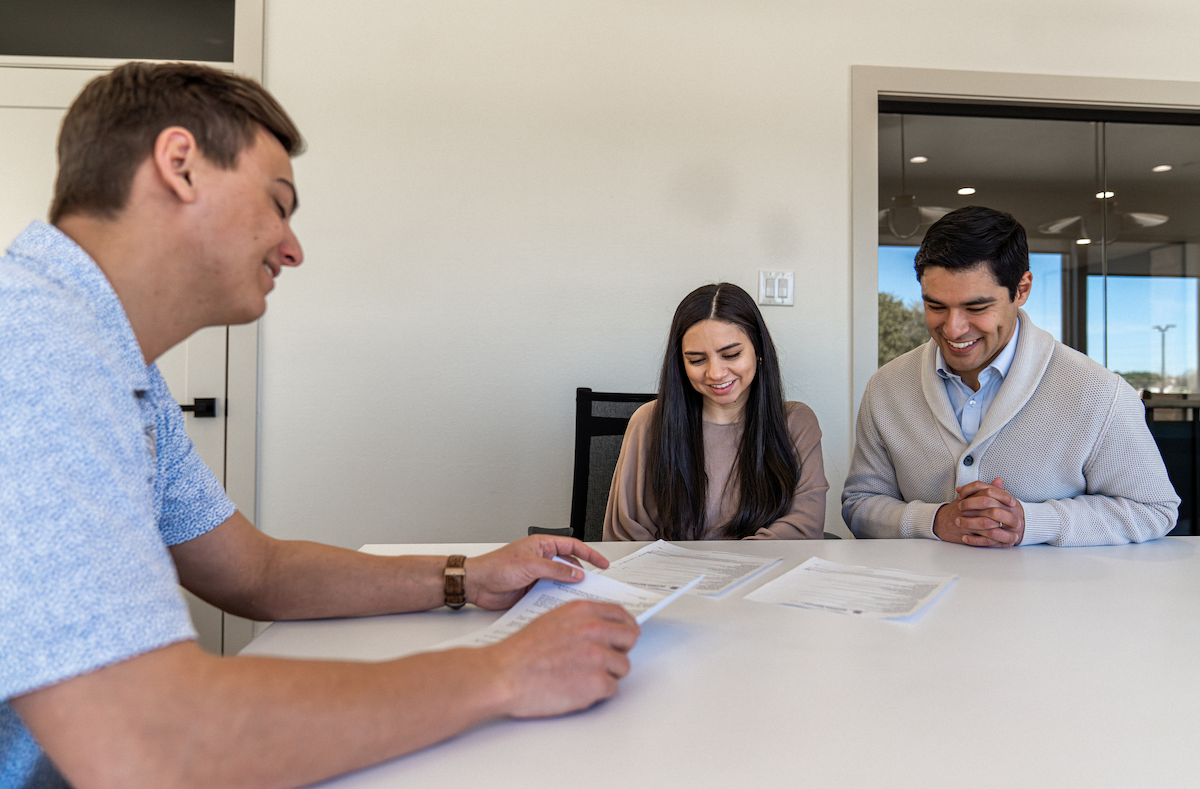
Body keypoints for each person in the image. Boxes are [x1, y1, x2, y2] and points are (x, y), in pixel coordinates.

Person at [0, 62, 641, 789]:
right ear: (180, 165)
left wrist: (466, 576)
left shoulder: (118, 371)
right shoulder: (33, 345)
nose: (293, 247)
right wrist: (504, 671)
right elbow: (152, 741)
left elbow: (256, 573)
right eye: (278, 204)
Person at [842, 205, 1179, 547]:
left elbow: (1153, 509)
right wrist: (936, 520)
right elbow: (859, 506)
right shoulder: (886, 387)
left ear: (1022, 289)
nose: (953, 328)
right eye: (936, 306)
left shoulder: (1100, 393)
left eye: (976, 308)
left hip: (1049, 598)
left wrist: (1030, 522)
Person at [604, 283, 828, 540]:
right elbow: (624, 536)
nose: (716, 373)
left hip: (764, 575)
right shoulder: (648, 422)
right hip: (668, 578)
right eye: (697, 360)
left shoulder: (796, 422)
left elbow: (803, 528)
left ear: (759, 351)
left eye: (731, 355)